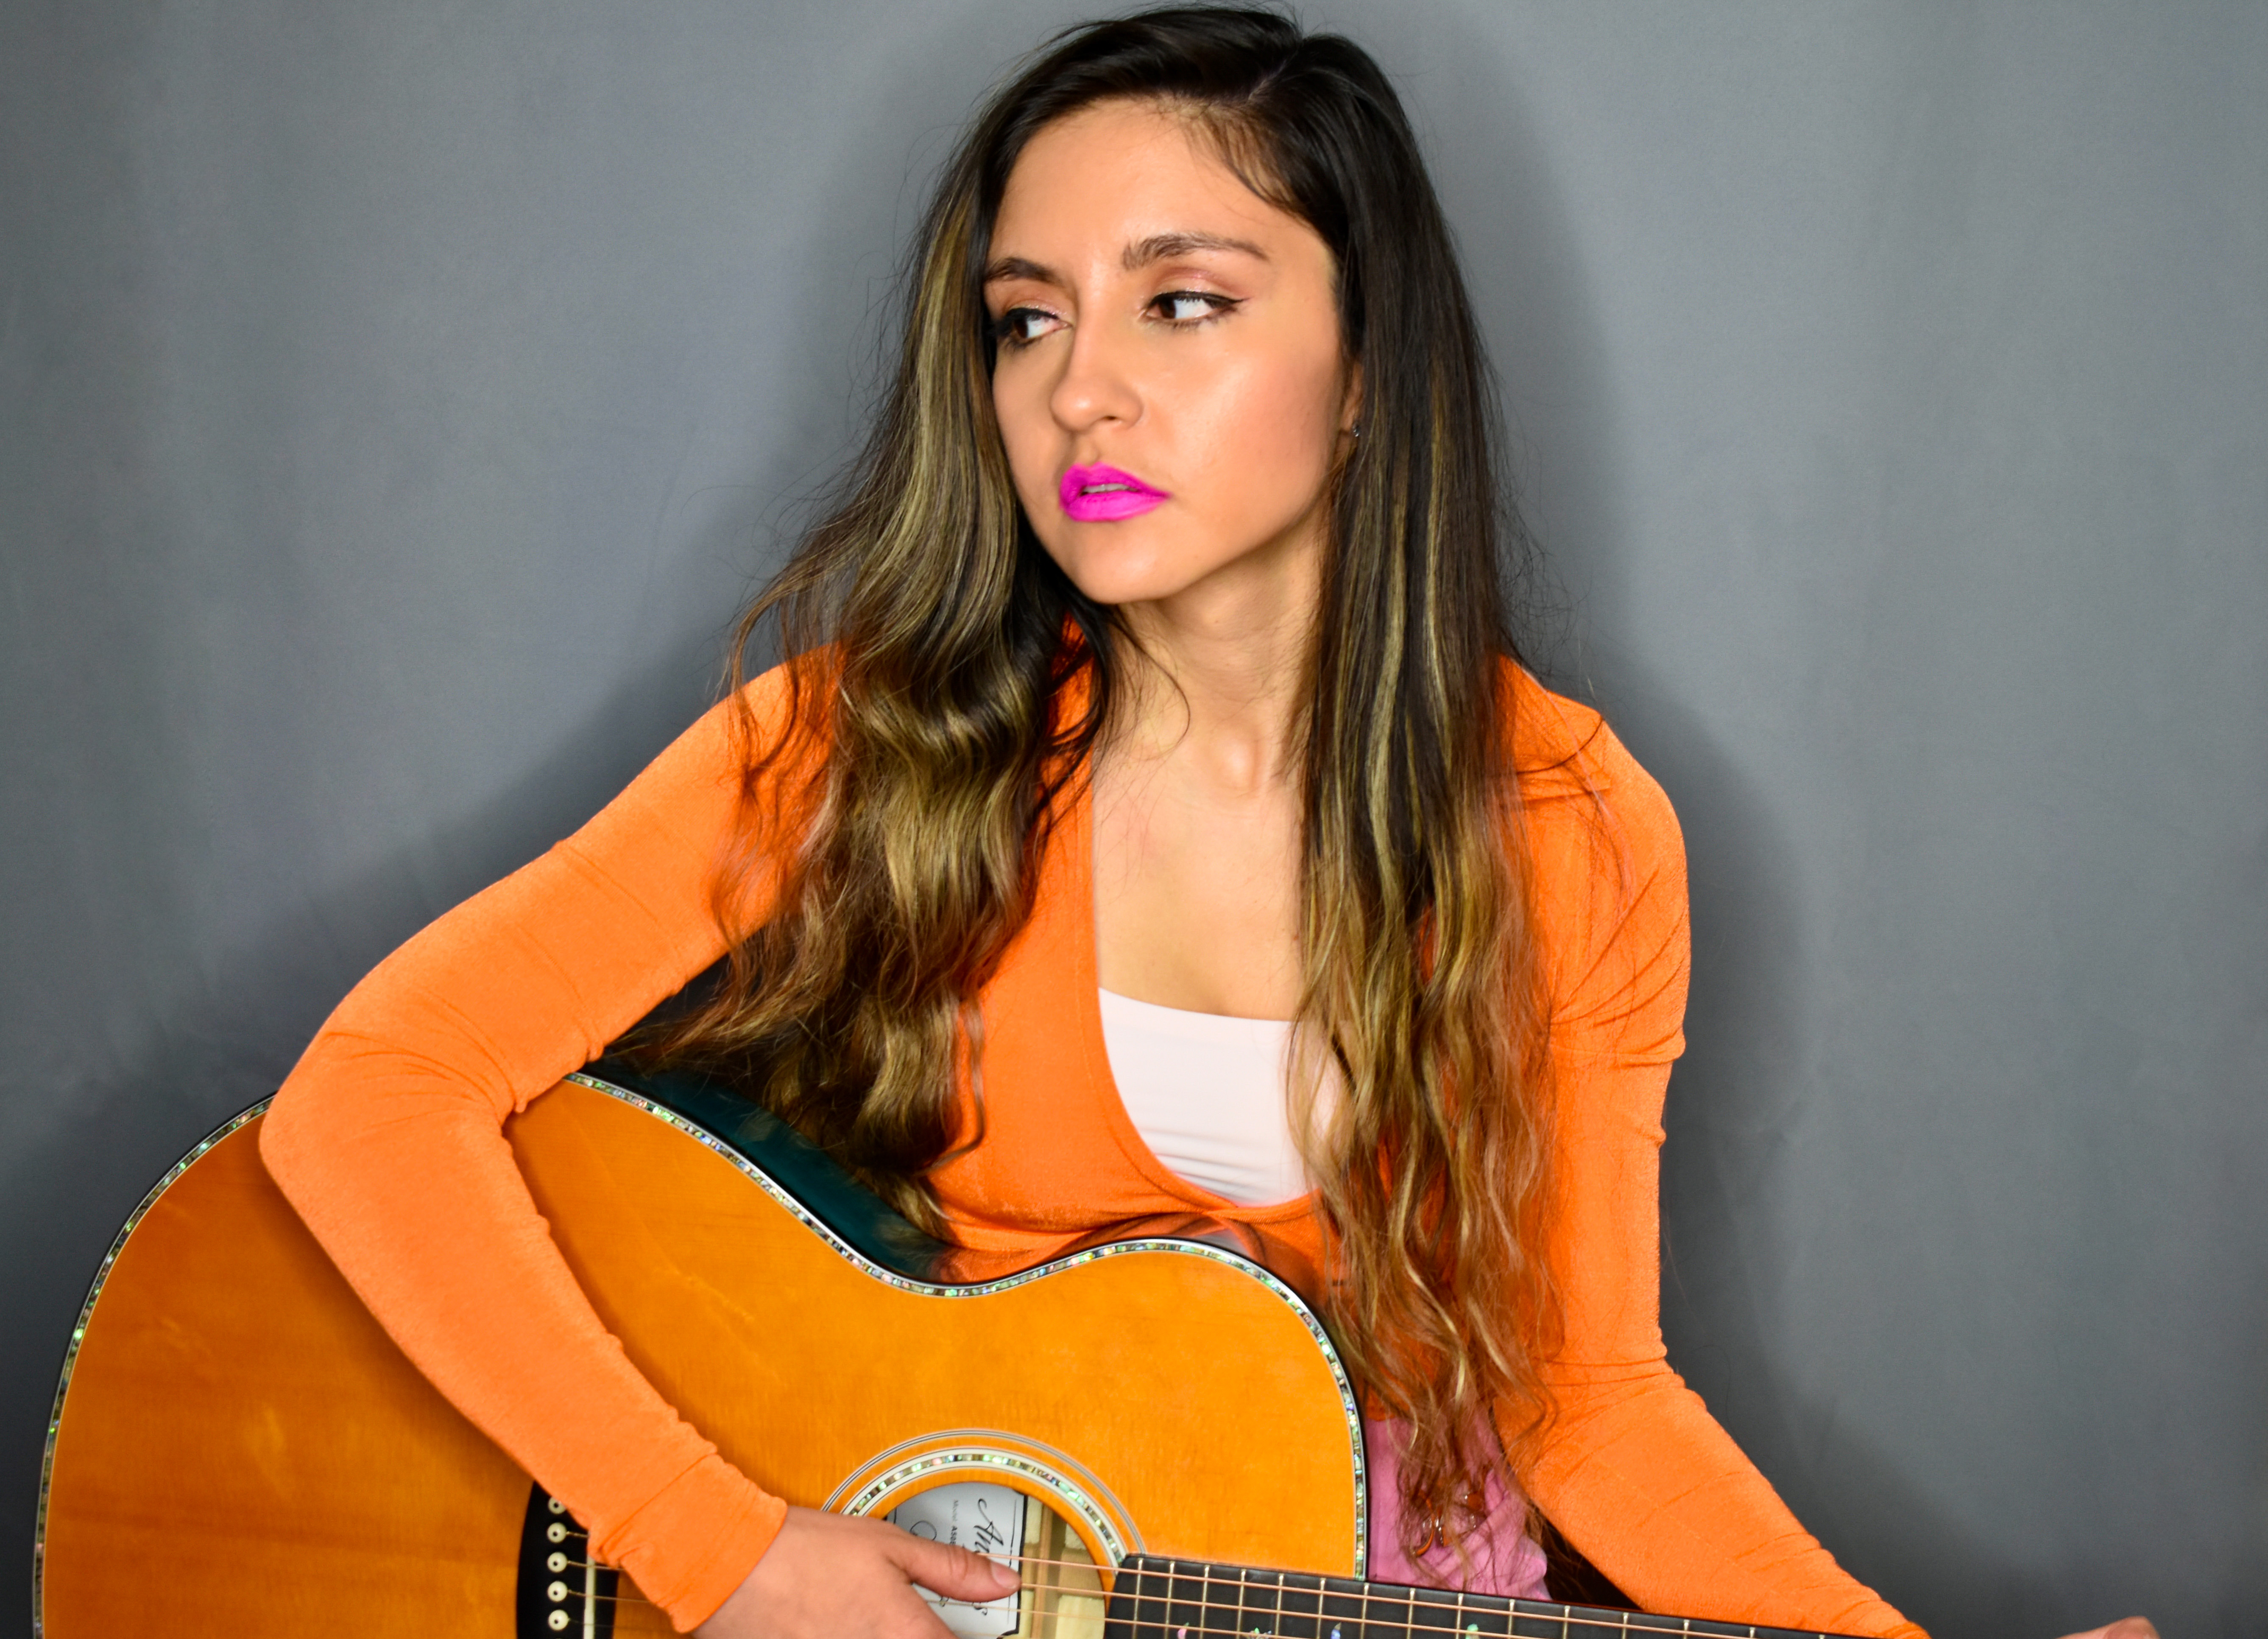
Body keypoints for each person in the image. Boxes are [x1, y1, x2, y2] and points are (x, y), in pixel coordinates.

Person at [259, 10, 2154, 1639]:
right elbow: (376, 1091)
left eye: (1182, 302)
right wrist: (716, 1544)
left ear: (1367, 372)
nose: (1078, 390)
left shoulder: (1572, 828)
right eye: (1026, 320)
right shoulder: (866, 742)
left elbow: (1587, 1399)